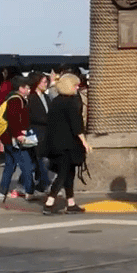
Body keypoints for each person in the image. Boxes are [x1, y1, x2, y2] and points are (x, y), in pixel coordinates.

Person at [41, 73, 90, 215]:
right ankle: (49, 202)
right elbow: (77, 126)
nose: (77, 87)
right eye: (75, 85)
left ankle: (71, 202)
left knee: (68, 173)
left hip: (55, 143)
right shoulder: (71, 102)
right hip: (67, 144)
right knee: (64, 173)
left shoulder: (56, 101)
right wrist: (85, 143)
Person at [0, 78, 36, 201]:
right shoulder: (16, 100)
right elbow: (13, 119)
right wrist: (18, 134)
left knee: (9, 166)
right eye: (27, 88)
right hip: (15, 139)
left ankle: (2, 192)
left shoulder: (12, 99)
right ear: (21, 88)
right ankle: (29, 191)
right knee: (27, 165)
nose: (29, 90)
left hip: (8, 138)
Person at [26, 73, 54, 194]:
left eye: (46, 82)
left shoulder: (46, 97)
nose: (45, 84)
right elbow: (31, 116)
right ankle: (44, 183)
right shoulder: (31, 98)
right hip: (36, 131)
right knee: (41, 159)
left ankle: (37, 182)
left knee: (41, 160)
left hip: (47, 132)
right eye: (43, 82)